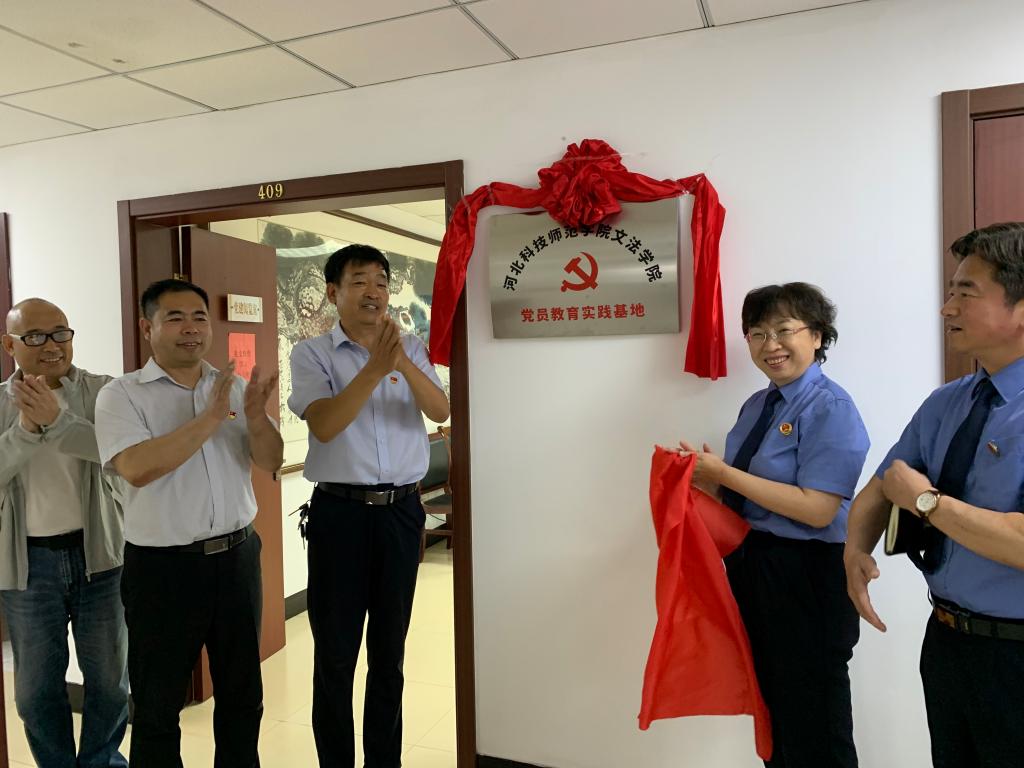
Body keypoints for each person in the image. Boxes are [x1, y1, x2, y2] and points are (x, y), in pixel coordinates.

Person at [845, 222, 1024, 768]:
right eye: (950, 292)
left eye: (966, 293)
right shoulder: (949, 401)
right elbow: (884, 483)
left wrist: (928, 503)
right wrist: (855, 548)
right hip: (947, 642)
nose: (947, 308)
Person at [676, 283, 869, 768]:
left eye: (784, 330)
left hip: (808, 575)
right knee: (773, 713)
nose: (771, 345)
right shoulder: (759, 404)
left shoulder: (830, 407)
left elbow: (817, 509)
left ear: (818, 337)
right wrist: (709, 482)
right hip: (756, 566)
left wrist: (725, 475)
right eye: (758, 333)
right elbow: (748, 497)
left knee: (814, 722)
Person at [94, 278, 283, 768]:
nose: (191, 328)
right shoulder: (122, 395)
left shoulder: (233, 386)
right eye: (175, 318)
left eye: (199, 317)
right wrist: (210, 418)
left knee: (243, 694)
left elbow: (270, 460)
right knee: (157, 705)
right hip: (163, 569)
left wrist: (256, 417)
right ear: (148, 327)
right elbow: (137, 467)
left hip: (238, 558)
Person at [288, 244, 450, 767]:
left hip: (401, 512)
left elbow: (441, 409)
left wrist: (399, 361)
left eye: (381, 281)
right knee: (335, 657)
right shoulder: (312, 354)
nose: (373, 291)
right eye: (359, 281)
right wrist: (376, 370)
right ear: (333, 292)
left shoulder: (411, 347)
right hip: (340, 517)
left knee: (389, 653)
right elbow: (325, 424)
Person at [0, 298, 129, 768]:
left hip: (100, 555)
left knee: (110, 682)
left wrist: (57, 422)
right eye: (34, 336)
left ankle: (101, 762)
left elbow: (120, 455)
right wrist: (25, 430)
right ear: (9, 344)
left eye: (60, 333)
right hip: (28, 565)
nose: (51, 345)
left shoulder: (104, 392)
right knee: (35, 691)